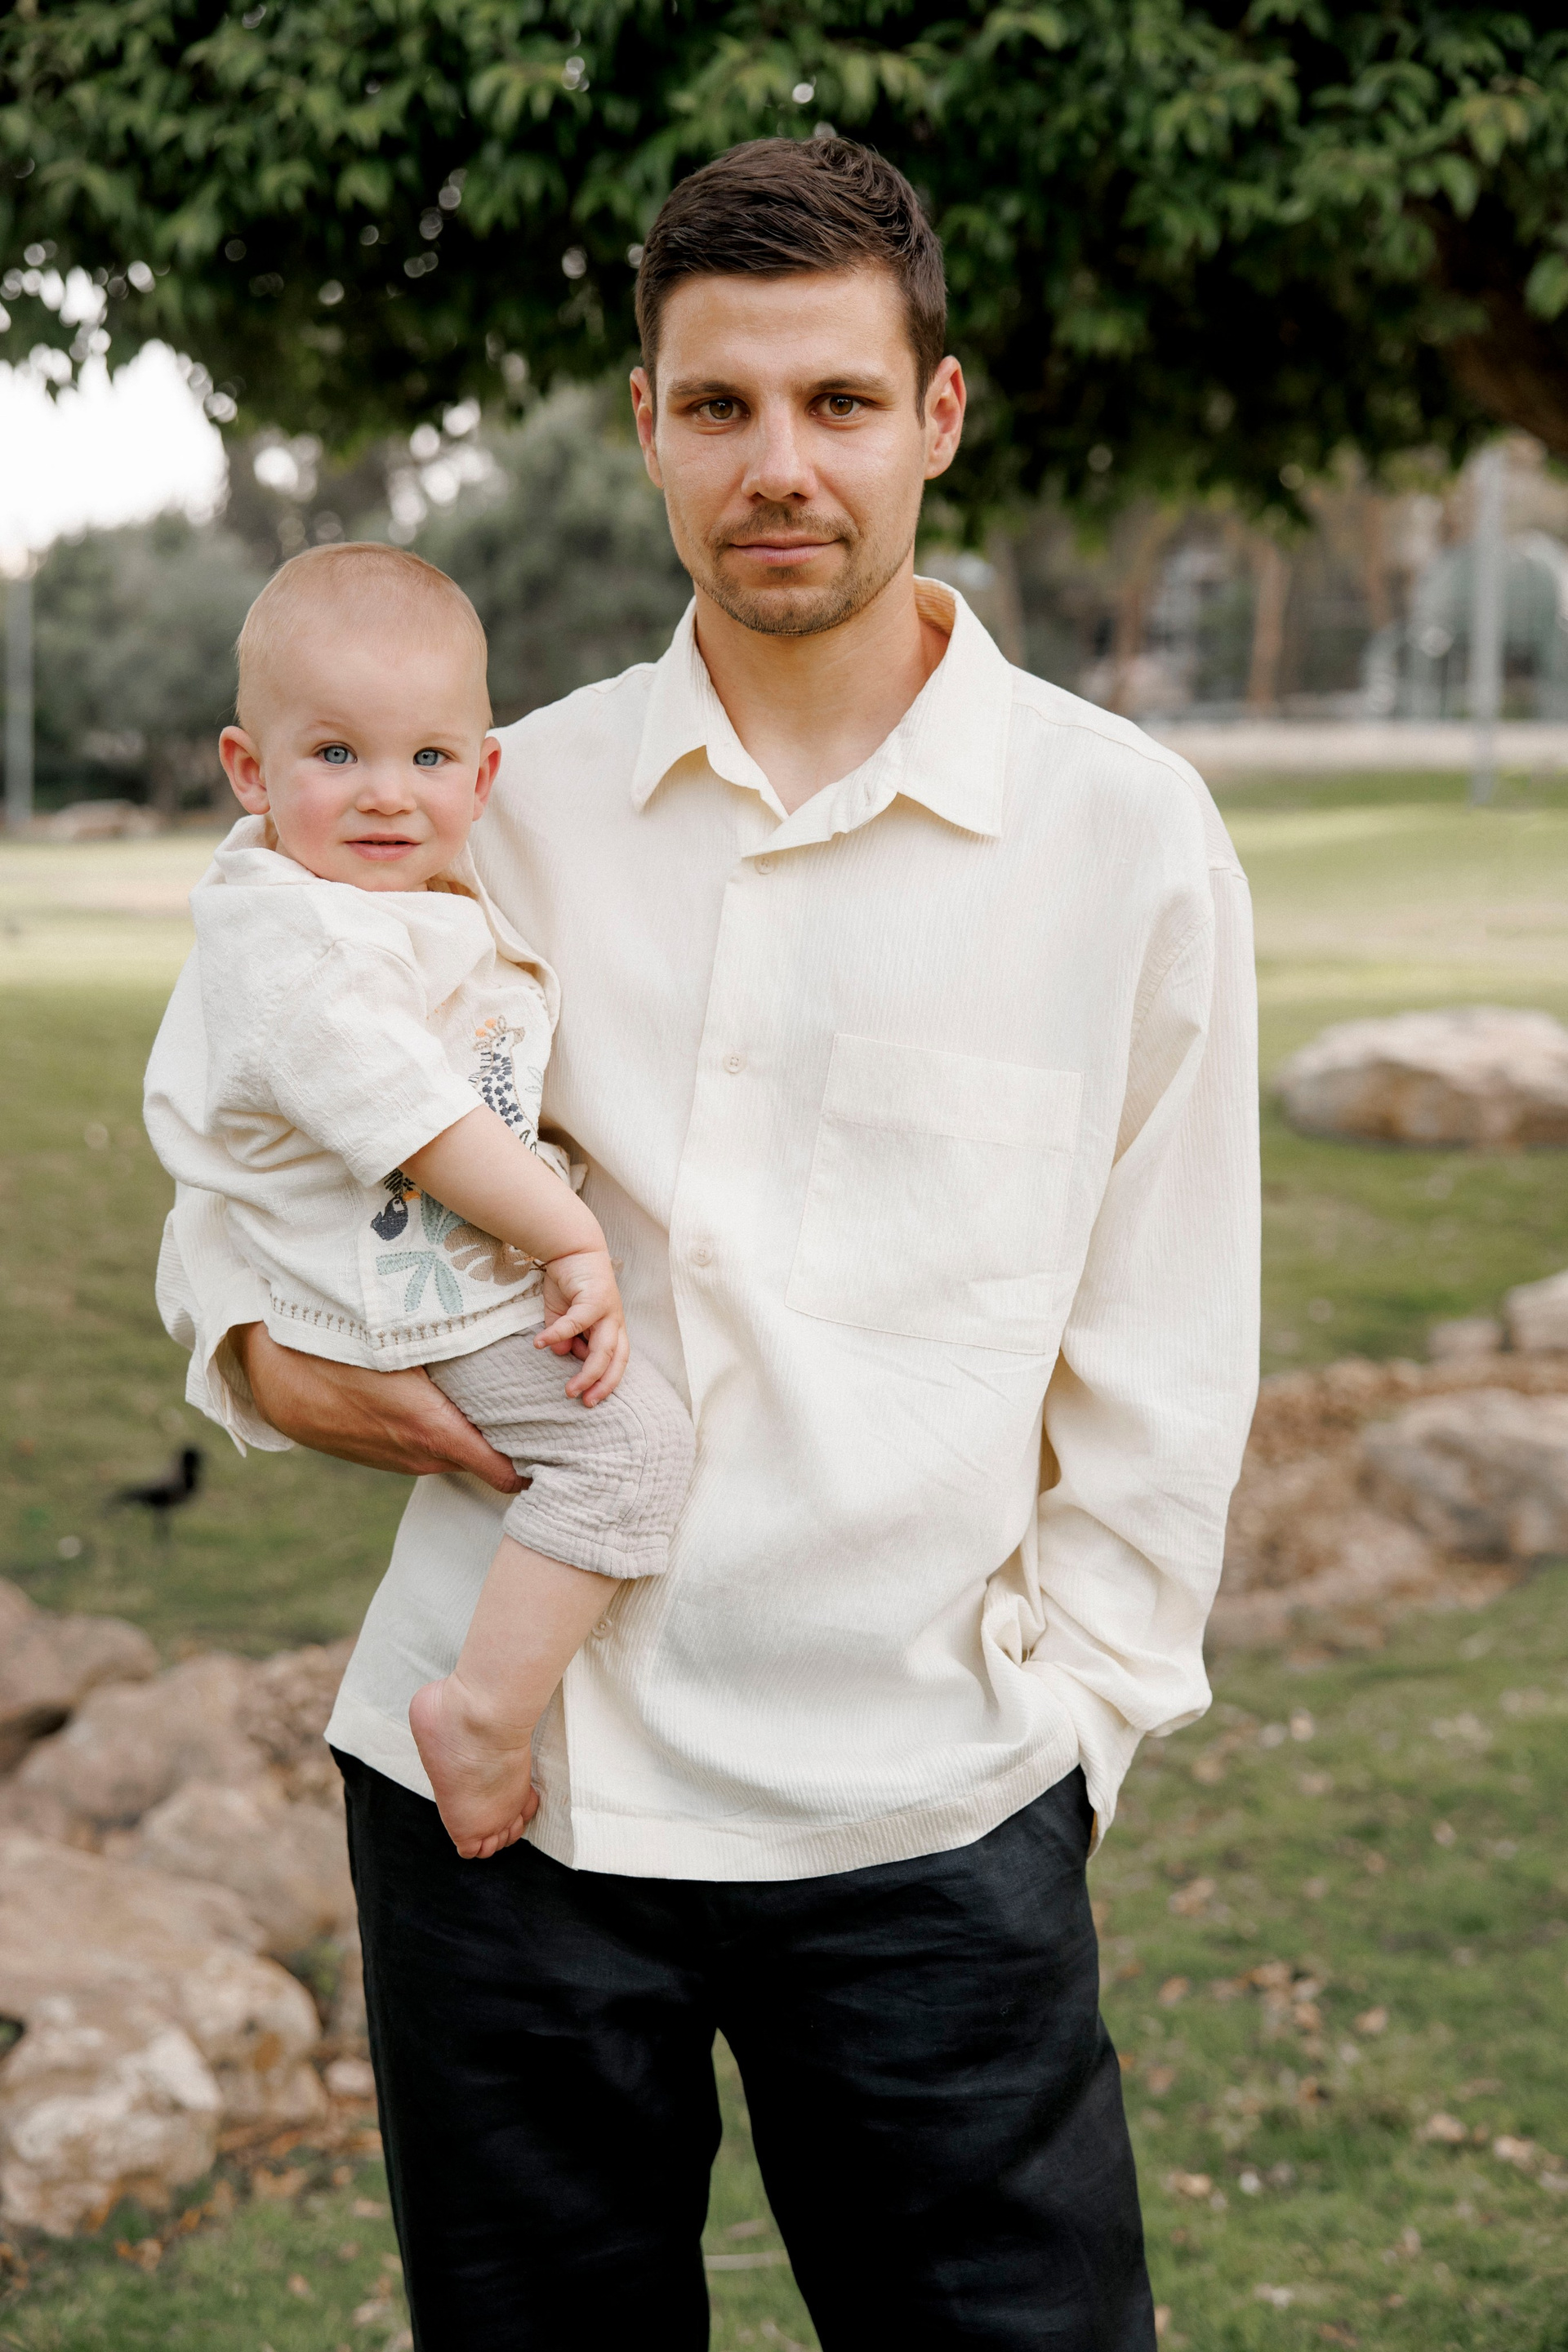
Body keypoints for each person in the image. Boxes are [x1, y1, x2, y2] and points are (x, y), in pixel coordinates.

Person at [156, 136, 1259, 2351]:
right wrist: (259, 1362)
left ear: (936, 418)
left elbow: (1167, 1345)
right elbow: (253, 1138)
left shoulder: (1128, 839)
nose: (783, 465)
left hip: (931, 1818)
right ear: (648, 422)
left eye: (839, 402)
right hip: (508, 1824)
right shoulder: (495, 797)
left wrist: (1082, 1736)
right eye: (723, 404)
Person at [143, 544, 695, 1860]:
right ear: (249, 771)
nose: (388, 793)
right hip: (406, 1297)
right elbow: (419, 1118)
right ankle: (483, 1716)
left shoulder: (393, 897)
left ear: (483, 776)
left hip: (426, 1273)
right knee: (626, 1453)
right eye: (337, 753)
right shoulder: (296, 939)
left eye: (429, 758)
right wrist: (568, 1236)